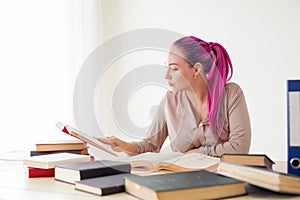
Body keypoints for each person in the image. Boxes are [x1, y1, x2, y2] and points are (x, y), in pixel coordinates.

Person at [97, 36, 251, 157]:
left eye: (174, 69)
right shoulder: (169, 101)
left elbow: (240, 147)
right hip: (183, 181)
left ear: (197, 69)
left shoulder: (231, 94)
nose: (167, 76)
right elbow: (151, 145)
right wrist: (123, 145)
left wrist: (199, 153)